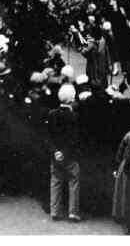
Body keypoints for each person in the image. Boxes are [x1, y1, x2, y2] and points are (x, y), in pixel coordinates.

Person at [47, 83, 81, 221]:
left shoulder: (51, 114)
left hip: (55, 154)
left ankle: (54, 210)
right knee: (74, 181)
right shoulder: (74, 116)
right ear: (72, 98)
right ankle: (73, 212)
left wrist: (55, 151)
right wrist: (64, 152)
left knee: (55, 181)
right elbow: (74, 138)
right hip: (70, 155)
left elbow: (48, 136)